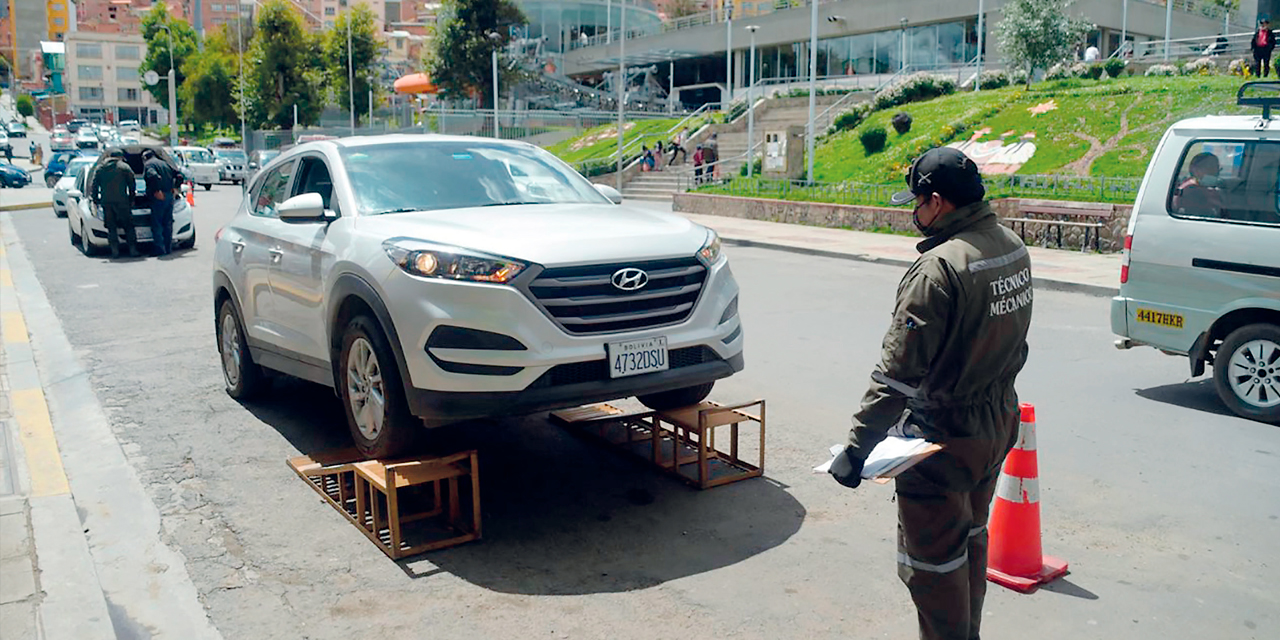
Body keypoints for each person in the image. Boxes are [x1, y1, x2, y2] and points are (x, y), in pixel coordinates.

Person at [828, 146, 1033, 640]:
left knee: (934, 569)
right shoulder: (1010, 247)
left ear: (937, 203)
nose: (912, 212)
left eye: (915, 202)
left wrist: (856, 450)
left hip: (943, 440)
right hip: (995, 423)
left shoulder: (937, 271)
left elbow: (896, 377)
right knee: (971, 541)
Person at [91, 149, 139, 259]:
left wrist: (95, 200)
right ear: (120, 157)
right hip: (122, 202)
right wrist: (132, 198)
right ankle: (133, 250)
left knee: (111, 228)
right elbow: (132, 184)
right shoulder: (124, 167)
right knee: (128, 226)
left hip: (106, 203)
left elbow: (94, 185)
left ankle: (115, 251)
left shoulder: (100, 168)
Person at [143, 149, 178, 256]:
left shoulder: (149, 165)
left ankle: (159, 249)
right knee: (167, 223)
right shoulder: (164, 163)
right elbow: (179, 175)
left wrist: (157, 190)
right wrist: (175, 188)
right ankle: (168, 248)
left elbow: (154, 176)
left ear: (145, 158)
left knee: (157, 223)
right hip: (169, 196)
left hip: (159, 198)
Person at [1172, 152, 1224, 218]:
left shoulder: (1205, 187)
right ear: (1195, 170)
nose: (1216, 171)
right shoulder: (1190, 190)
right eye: (1210, 167)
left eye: (1217, 167)